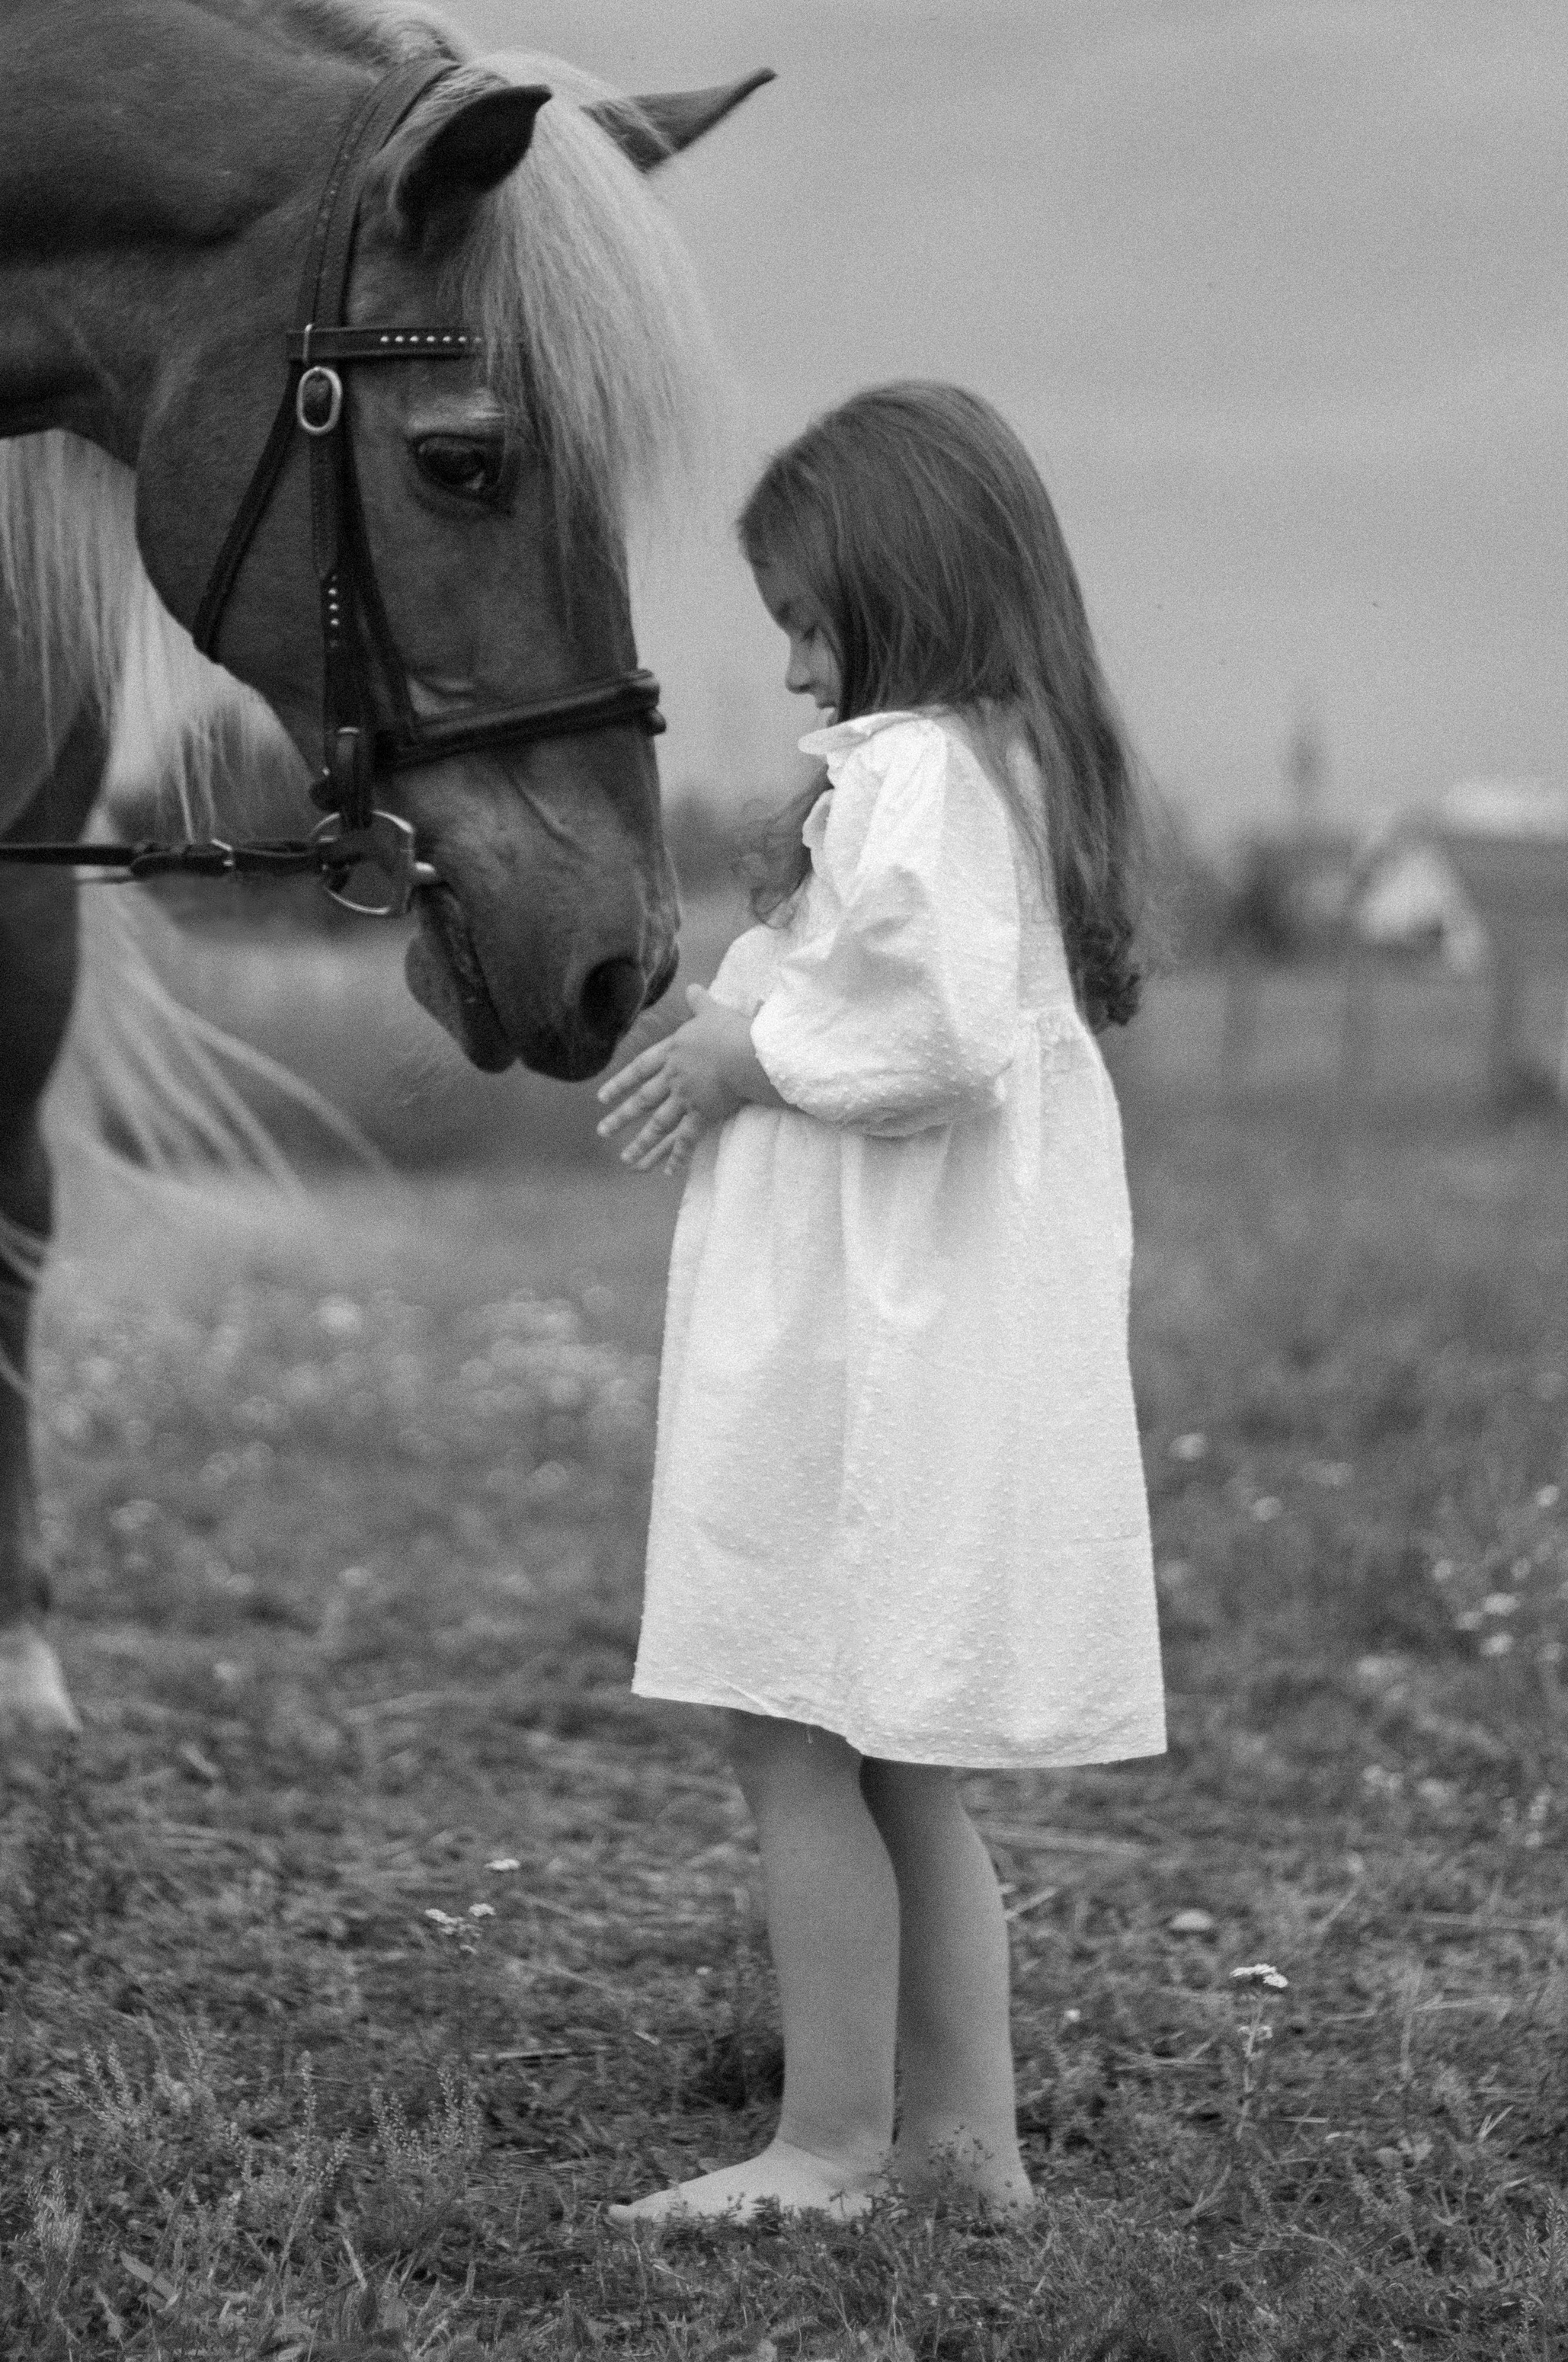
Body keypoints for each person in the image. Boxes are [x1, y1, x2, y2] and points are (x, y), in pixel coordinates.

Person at [595, 381, 1165, 2226]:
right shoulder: (991, 768)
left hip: (855, 1358)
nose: (791, 669)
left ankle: (829, 2140)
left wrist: (742, 1052)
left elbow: (928, 1036)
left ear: (899, 583)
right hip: (908, 1338)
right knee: (895, 1754)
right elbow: (903, 1003)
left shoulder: (915, 768)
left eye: (807, 621)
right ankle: (963, 2147)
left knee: (790, 1725)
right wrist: (720, 1022)